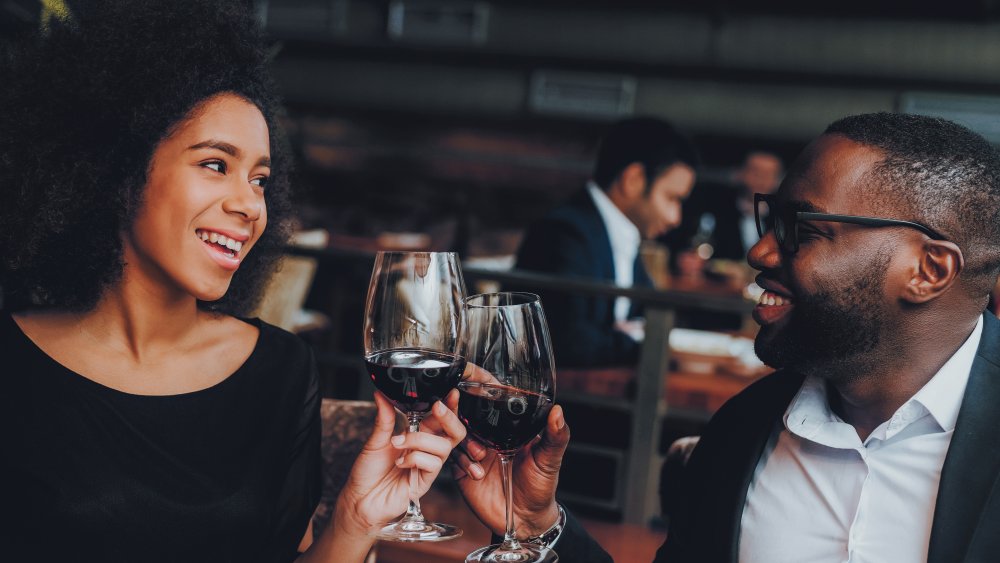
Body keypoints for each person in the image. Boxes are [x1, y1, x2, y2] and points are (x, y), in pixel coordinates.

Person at [0, 2, 466, 562]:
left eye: (261, 179)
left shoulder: (280, 371)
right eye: (216, 164)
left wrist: (353, 522)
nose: (250, 205)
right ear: (117, 172)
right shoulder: (12, 365)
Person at [452, 112, 1000, 562]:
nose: (760, 253)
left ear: (929, 270)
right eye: (770, 221)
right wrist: (537, 525)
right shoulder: (741, 431)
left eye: (802, 230)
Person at [513, 117, 698, 367]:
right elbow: (569, 343)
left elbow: (654, 314)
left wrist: (623, 334)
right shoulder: (564, 232)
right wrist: (632, 338)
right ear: (633, 179)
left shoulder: (620, 232)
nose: (675, 218)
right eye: (671, 198)